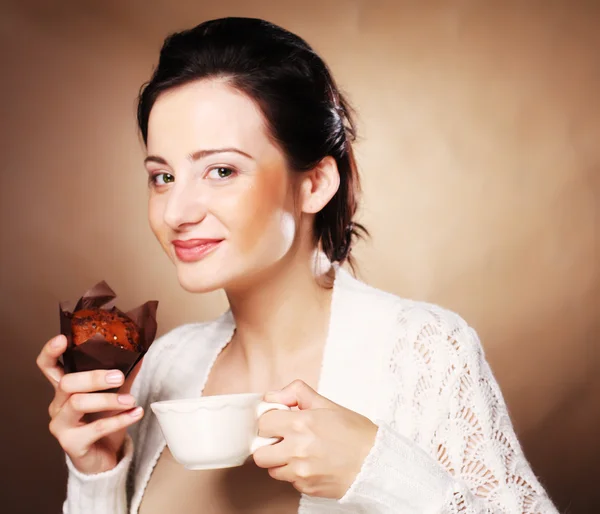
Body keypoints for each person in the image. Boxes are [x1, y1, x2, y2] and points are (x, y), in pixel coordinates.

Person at [37, 17, 558, 514]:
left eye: (220, 170)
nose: (176, 213)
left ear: (314, 184)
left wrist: (377, 471)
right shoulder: (167, 366)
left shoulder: (424, 353)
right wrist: (96, 470)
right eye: (162, 177)